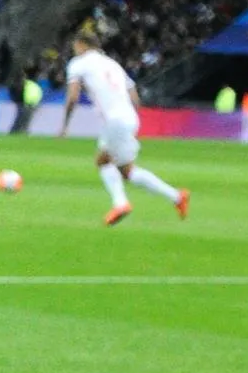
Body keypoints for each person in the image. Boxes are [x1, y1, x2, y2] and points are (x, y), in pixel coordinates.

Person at [60, 29, 188, 227]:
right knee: (127, 171)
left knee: (103, 161)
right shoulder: (113, 64)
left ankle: (120, 203)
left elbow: (73, 97)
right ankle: (177, 197)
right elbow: (133, 92)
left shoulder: (78, 64)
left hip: (115, 120)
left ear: (81, 45)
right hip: (129, 117)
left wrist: (65, 125)